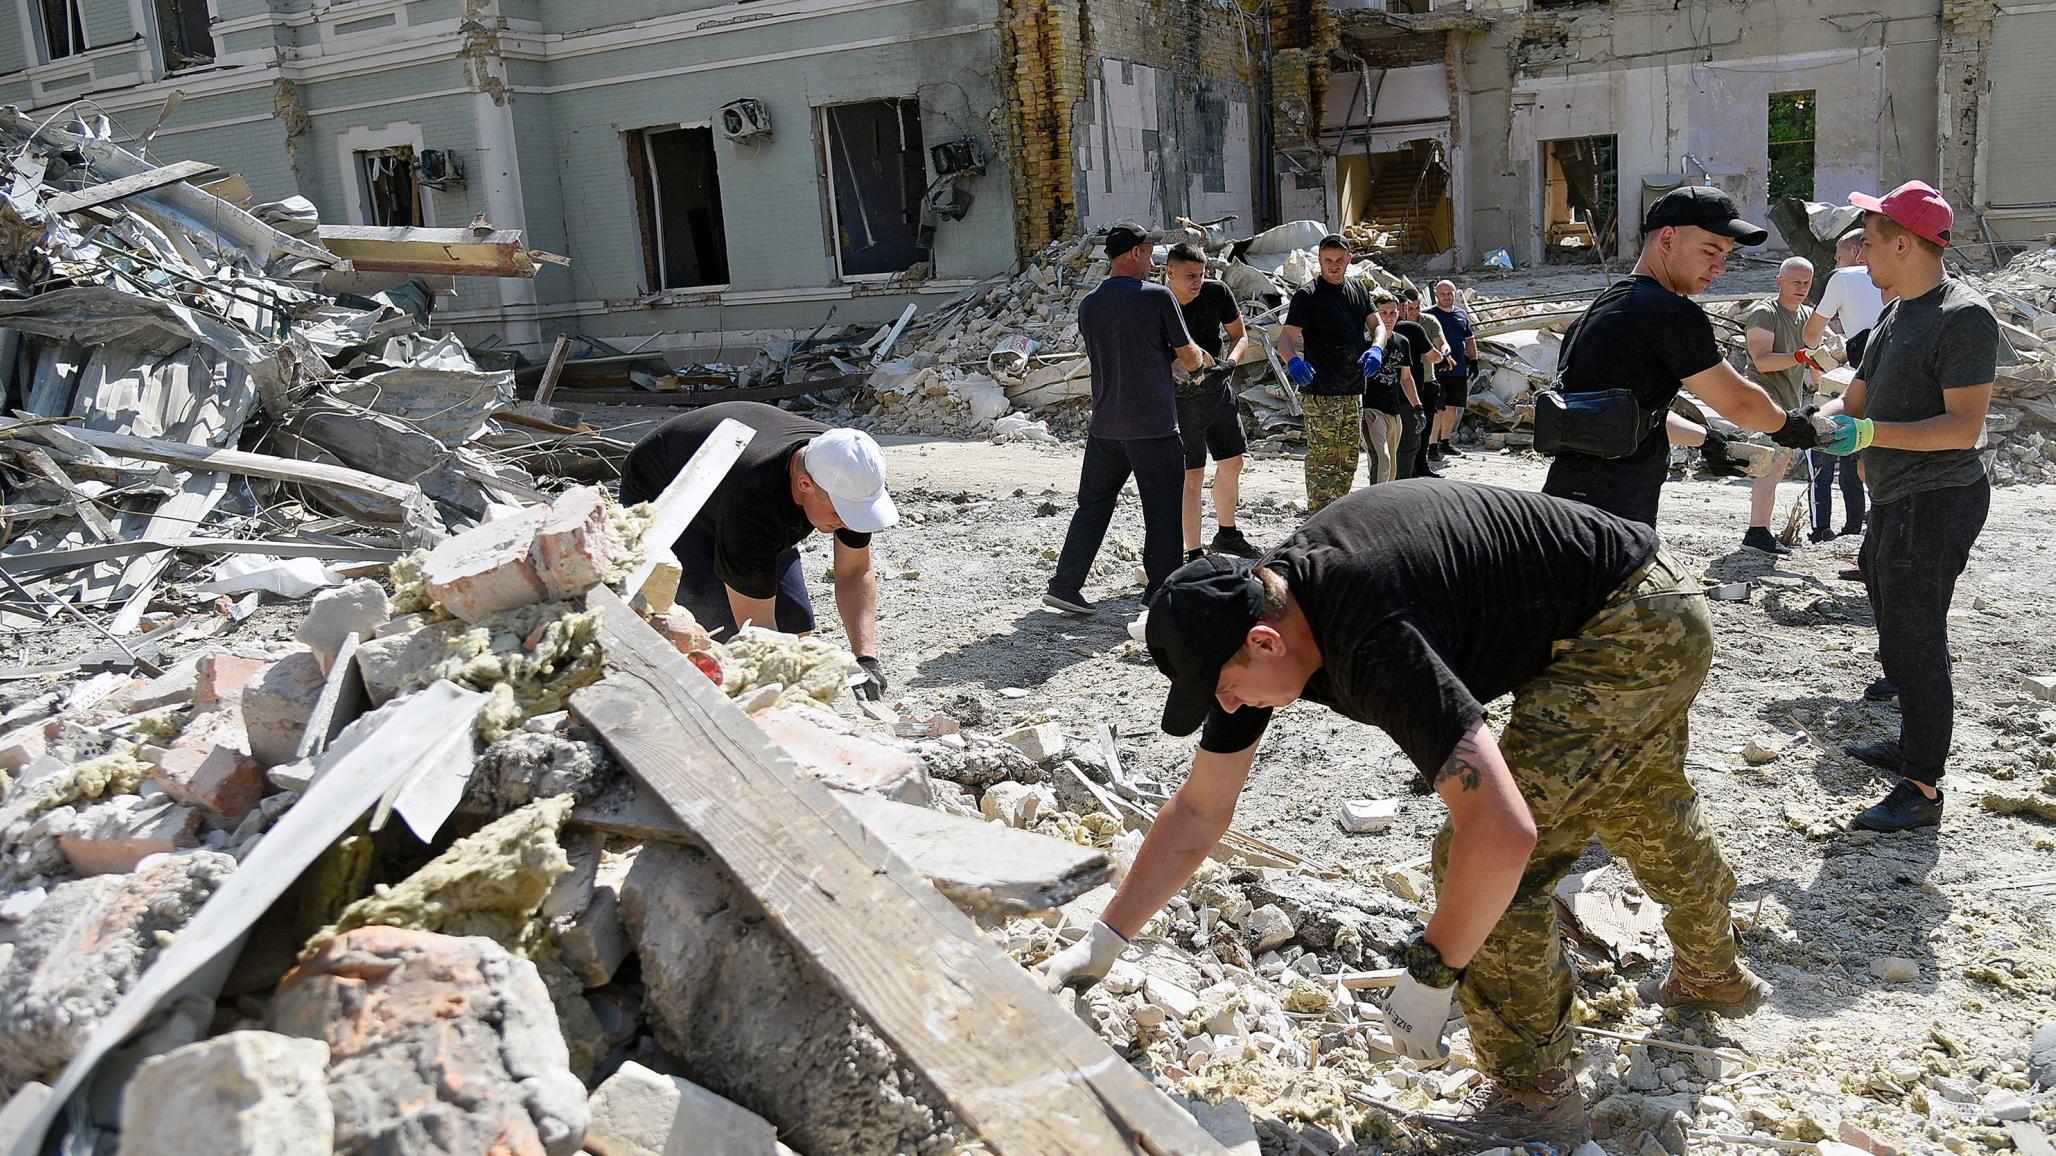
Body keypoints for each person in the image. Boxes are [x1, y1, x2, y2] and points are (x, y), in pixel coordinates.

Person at [1040, 482, 1769, 1143]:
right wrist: (1106, 938)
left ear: (1263, 642)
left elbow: (1502, 832)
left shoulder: (1371, 635)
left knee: (1484, 865)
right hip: (1650, 602)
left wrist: (1431, 973)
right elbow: (1201, 812)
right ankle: (1714, 972)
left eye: (1225, 689)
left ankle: (1533, 1091)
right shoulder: (1270, 613)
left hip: (1624, 627)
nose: (1227, 708)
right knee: (1640, 796)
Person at [1816, 181, 1998, 832]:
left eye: (1869, 238)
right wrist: (1798, 427)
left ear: (1903, 242)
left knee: (1918, 638)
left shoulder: (1964, 315)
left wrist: (1869, 436)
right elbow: (1856, 401)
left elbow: (1962, 427)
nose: (1861, 251)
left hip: (1939, 498)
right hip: (1894, 495)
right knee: (1895, 630)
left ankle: (1922, 787)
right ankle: (1911, 741)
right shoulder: (1895, 313)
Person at [1544, 186, 1831, 527]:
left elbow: (1630, 415)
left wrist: (1708, 440)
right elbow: (1740, 403)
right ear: (1667, 239)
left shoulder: (1599, 311)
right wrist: (1790, 426)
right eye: (1710, 251)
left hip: (1562, 504)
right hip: (1611, 515)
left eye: (1726, 255)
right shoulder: (1669, 312)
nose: (1719, 268)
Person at [621, 400, 897, 699]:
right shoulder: (753, 503)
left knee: (796, 628)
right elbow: (758, 631)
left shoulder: (848, 469)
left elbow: (855, 570)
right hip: (665, 489)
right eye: (839, 513)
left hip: (737, 491)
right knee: (721, 635)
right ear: (805, 483)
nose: (847, 524)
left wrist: (865, 659)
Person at [1044, 222, 1213, 617]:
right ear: (1135, 253)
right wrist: (1202, 362)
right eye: (1150, 251)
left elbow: (1121, 353)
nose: (1153, 260)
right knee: (1163, 512)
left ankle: (1065, 585)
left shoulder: (1089, 304)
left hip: (1104, 426)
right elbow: (1187, 358)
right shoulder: (1157, 298)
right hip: (1152, 426)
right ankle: (1159, 592)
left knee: (1092, 506)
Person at [1163, 242, 1258, 561]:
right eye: (1190, 275)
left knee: (1233, 462)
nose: (1197, 281)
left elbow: (1240, 335)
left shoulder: (1217, 292)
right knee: (1193, 475)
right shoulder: (1157, 303)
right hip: (1180, 400)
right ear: (1170, 273)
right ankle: (1193, 552)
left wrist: (1229, 365)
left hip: (1218, 390)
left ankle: (1227, 534)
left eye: (1201, 274)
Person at [1278, 235, 1376, 512]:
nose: (1333, 266)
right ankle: (1318, 518)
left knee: (1347, 459)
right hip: (1321, 392)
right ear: (1320, 261)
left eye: (1339, 260)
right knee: (1324, 460)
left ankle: (1337, 514)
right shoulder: (1308, 296)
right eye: (1327, 261)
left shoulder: (1358, 289)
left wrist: (1377, 347)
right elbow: (1285, 338)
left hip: (1352, 390)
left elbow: (1377, 325)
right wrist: (1293, 361)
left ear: (1349, 260)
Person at [1803, 229, 1885, 539]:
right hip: (1898, 376)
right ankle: (1858, 528)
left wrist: (1816, 351)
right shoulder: (1901, 280)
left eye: (1838, 255)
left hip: (1863, 375)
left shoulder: (1844, 277)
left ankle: (1820, 528)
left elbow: (1811, 334)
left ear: (1855, 252)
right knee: (1864, 455)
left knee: (1817, 440)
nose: (1836, 262)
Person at [1739, 257, 1820, 555]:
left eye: (1806, 283)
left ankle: (1761, 532)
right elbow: (1761, 359)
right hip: (1764, 397)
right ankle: (1757, 532)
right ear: (1780, 281)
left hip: (1790, 402)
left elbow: (1819, 359)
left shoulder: (1807, 316)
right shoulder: (1765, 312)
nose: (1801, 287)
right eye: (1796, 281)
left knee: (1778, 467)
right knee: (1768, 465)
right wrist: (1800, 357)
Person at [1359, 290, 1421, 485]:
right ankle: (1373, 507)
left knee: (1392, 468)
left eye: (1392, 313)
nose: (1388, 318)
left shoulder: (1402, 342)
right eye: (1383, 313)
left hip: (1393, 412)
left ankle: (1384, 505)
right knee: (1381, 459)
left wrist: (1418, 407)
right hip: (1370, 410)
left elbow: (1406, 378)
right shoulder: (1364, 342)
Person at [1395, 288, 1446, 479]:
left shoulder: (1375, 329)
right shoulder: (1411, 328)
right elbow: (1433, 356)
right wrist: (1443, 356)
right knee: (1411, 441)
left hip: (1381, 396)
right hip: (1410, 393)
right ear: (1403, 308)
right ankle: (1406, 481)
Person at [1425, 280, 1478, 461]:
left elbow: (1470, 339)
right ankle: (1432, 445)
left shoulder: (1462, 315)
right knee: (1436, 409)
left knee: (1452, 407)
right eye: (1443, 294)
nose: (1446, 297)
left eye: (1450, 293)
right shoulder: (1429, 316)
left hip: (1458, 369)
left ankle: (1445, 441)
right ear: (1437, 295)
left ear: (1455, 294)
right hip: (1436, 370)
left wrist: (1474, 360)